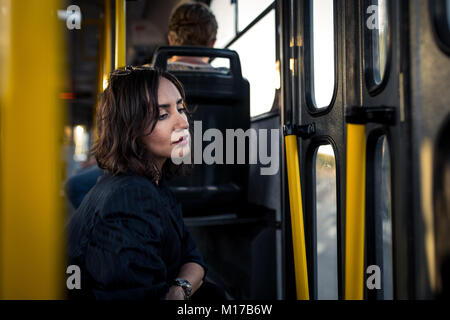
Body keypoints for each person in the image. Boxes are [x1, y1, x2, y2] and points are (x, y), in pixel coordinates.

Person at [67, 66, 206, 300]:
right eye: (163, 115)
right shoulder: (129, 201)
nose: (182, 122)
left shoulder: (154, 184)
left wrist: (180, 289)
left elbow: (194, 258)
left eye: (181, 109)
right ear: (131, 128)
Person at [64, 2, 221, 209]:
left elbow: (133, 134)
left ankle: (115, 220)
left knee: (75, 185)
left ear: (171, 39)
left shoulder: (148, 80)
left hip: (155, 176)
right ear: (212, 43)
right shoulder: (231, 81)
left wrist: (106, 158)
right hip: (215, 188)